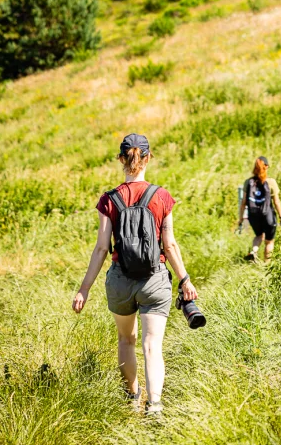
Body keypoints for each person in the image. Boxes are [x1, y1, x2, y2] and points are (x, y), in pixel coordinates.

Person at [72, 133, 197, 416]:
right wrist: (184, 278)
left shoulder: (109, 199)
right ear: (148, 158)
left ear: (121, 159)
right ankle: (154, 406)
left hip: (120, 280)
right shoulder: (161, 196)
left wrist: (84, 289)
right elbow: (170, 244)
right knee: (152, 345)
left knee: (126, 340)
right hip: (154, 279)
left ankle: (132, 398)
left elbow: (102, 247)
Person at [238, 156, 281, 262]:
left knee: (259, 235)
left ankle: (254, 251)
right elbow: (276, 202)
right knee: (269, 241)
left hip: (253, 215)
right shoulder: (271, 182)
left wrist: (241, 218)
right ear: (267, 167)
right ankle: (266, 265)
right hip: (267, 215)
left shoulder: (248, 182)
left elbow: (243, 203)